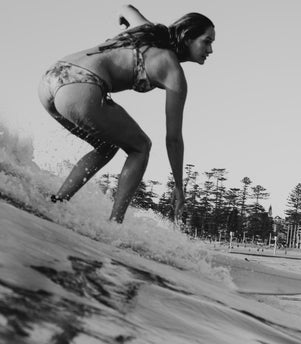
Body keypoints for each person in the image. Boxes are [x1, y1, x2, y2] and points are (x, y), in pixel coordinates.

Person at [38, 5, 215, 222]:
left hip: (52, 78)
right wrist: (179, 187)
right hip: (80, 87)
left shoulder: (146, 29)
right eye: (207, 41)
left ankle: (57, 202)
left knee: (106, 146)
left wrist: (122, 20)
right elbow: (173, 139)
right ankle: (115, 224)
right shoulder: (173, 72)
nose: (210, 50)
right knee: (141, 146)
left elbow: (126, 8)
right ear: (188, 37)